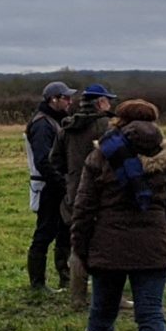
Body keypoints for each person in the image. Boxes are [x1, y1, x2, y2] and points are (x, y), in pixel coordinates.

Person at [67, 100, 166, 331]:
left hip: (108, 248)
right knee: (151, 312)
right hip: (155, 248)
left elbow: (83, 208)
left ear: (119, 121)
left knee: (102, 311)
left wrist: (81, 249)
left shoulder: (101, 156)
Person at [56, 85, 116, 307]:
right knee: (108, 244)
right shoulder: (107, 126)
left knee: (78, 244)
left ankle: (78, 297)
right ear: (100, 103)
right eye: (108, 101)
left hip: (74, 194)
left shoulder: (66, 127)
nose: (110, 105)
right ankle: (111, 297)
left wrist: (70, 181)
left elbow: (56, 161)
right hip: (103, 193)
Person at [24, 80, 79, 295]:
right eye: (66, 98)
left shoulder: (55, 121)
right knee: (45, 232)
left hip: (56, 183)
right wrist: (62, 182)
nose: (70, 101)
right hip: (48, 185)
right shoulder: (42, 124)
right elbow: (43, 161)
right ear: (53, 99)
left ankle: (66, 278)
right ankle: (37, 283)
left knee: (65, 231)